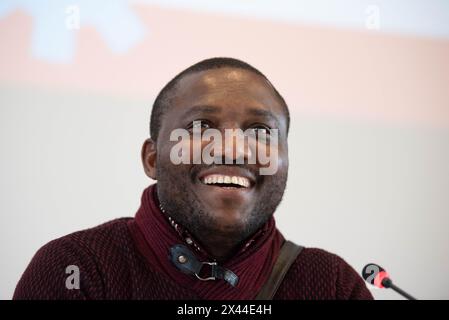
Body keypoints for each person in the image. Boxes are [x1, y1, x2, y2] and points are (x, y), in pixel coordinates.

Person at [14, 57, 373, 300]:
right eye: (201, 126)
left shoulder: (332, 285)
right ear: (152, 158)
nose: (233, 149)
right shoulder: (76, 269)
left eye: (261, 131)